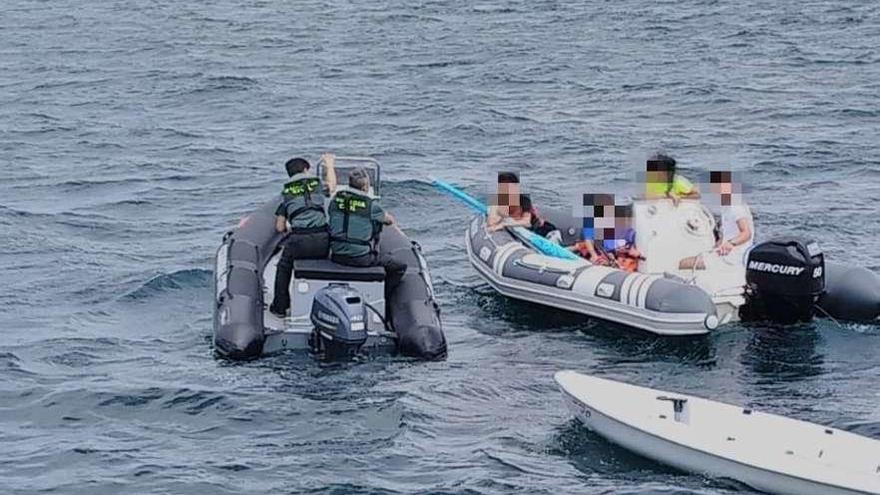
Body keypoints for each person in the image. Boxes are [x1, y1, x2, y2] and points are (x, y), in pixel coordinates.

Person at [327, 165, 407, 302]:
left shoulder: (335, 200)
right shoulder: (371, 205)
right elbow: (389, 221)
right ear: (365, 187)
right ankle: (386, 300)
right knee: (399, 266)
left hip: (336, 254)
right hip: (360, 257)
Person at [269, 155, 334, 317]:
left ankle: (280, 308)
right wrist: (329, 164)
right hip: (323, 241)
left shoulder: (286, 194)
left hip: (299, 242)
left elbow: (279, 227)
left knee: (283, 267)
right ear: (306, 170)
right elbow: (332, 186)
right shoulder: (317, 185)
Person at [679, 170, 753, 269]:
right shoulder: (728, 205)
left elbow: (746, 233)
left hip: (732, 257)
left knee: (683, 263)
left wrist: (730, 243)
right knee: (695, 257)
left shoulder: (735, 207)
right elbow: (727, 234)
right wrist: (714, 248)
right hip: (725, 253)